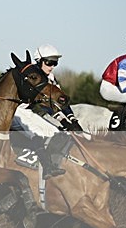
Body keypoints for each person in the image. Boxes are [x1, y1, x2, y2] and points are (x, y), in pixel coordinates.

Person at [10, 44, 80, 179]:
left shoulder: (51, 78)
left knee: (55, 133)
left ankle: (52, 163)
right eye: (49, 62)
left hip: (30, 112)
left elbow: (61, 101)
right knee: (38, 132)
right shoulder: (33, 77)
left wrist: (73, 119)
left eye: (55, 62)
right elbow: (43, 105)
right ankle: (46, 167)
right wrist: (63, 120)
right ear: (39, 61)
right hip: (18, 111)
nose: (52, 66)